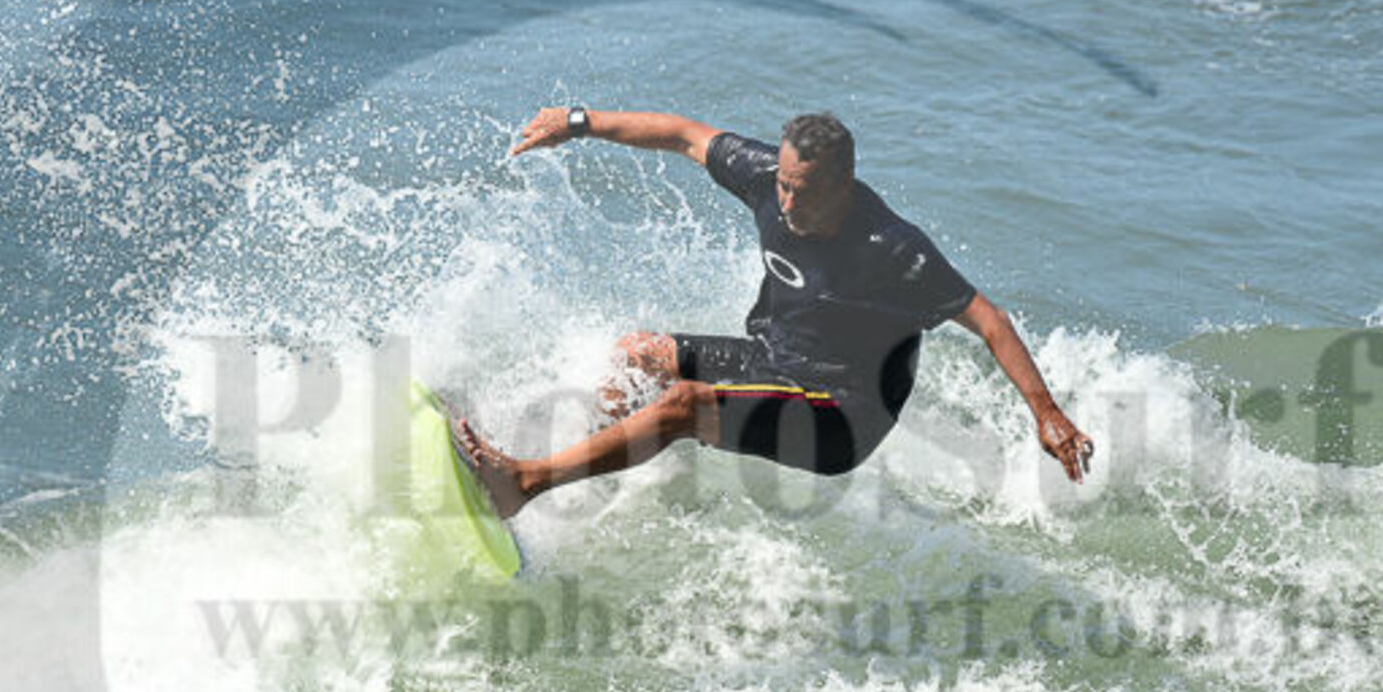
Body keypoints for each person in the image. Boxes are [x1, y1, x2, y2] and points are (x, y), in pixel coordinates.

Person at [455, 106, 1094, 518]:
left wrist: (1047, 413)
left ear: (843, 187)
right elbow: (683, 135)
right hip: (776, 359)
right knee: (637, 356)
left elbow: (991, 321)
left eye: (802, 192)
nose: (785, 203)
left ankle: (528, 483)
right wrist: (578, 122)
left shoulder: (893, 250)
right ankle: (588, 483)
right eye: (783, 184)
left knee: (685, 405)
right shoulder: (767, 177)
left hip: (840, 414)